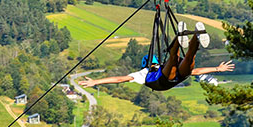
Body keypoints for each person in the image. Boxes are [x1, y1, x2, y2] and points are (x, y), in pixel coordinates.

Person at [78, 32, 234, 93]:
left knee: (184, 59)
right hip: (164, 80)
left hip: (167, 80)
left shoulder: (142, 73)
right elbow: (196, 71)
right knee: (184, 59)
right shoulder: (145, 72)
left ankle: (195, 38)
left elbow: (120, 79)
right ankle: (190, 39)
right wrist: (217, 69)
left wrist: (97, 82)